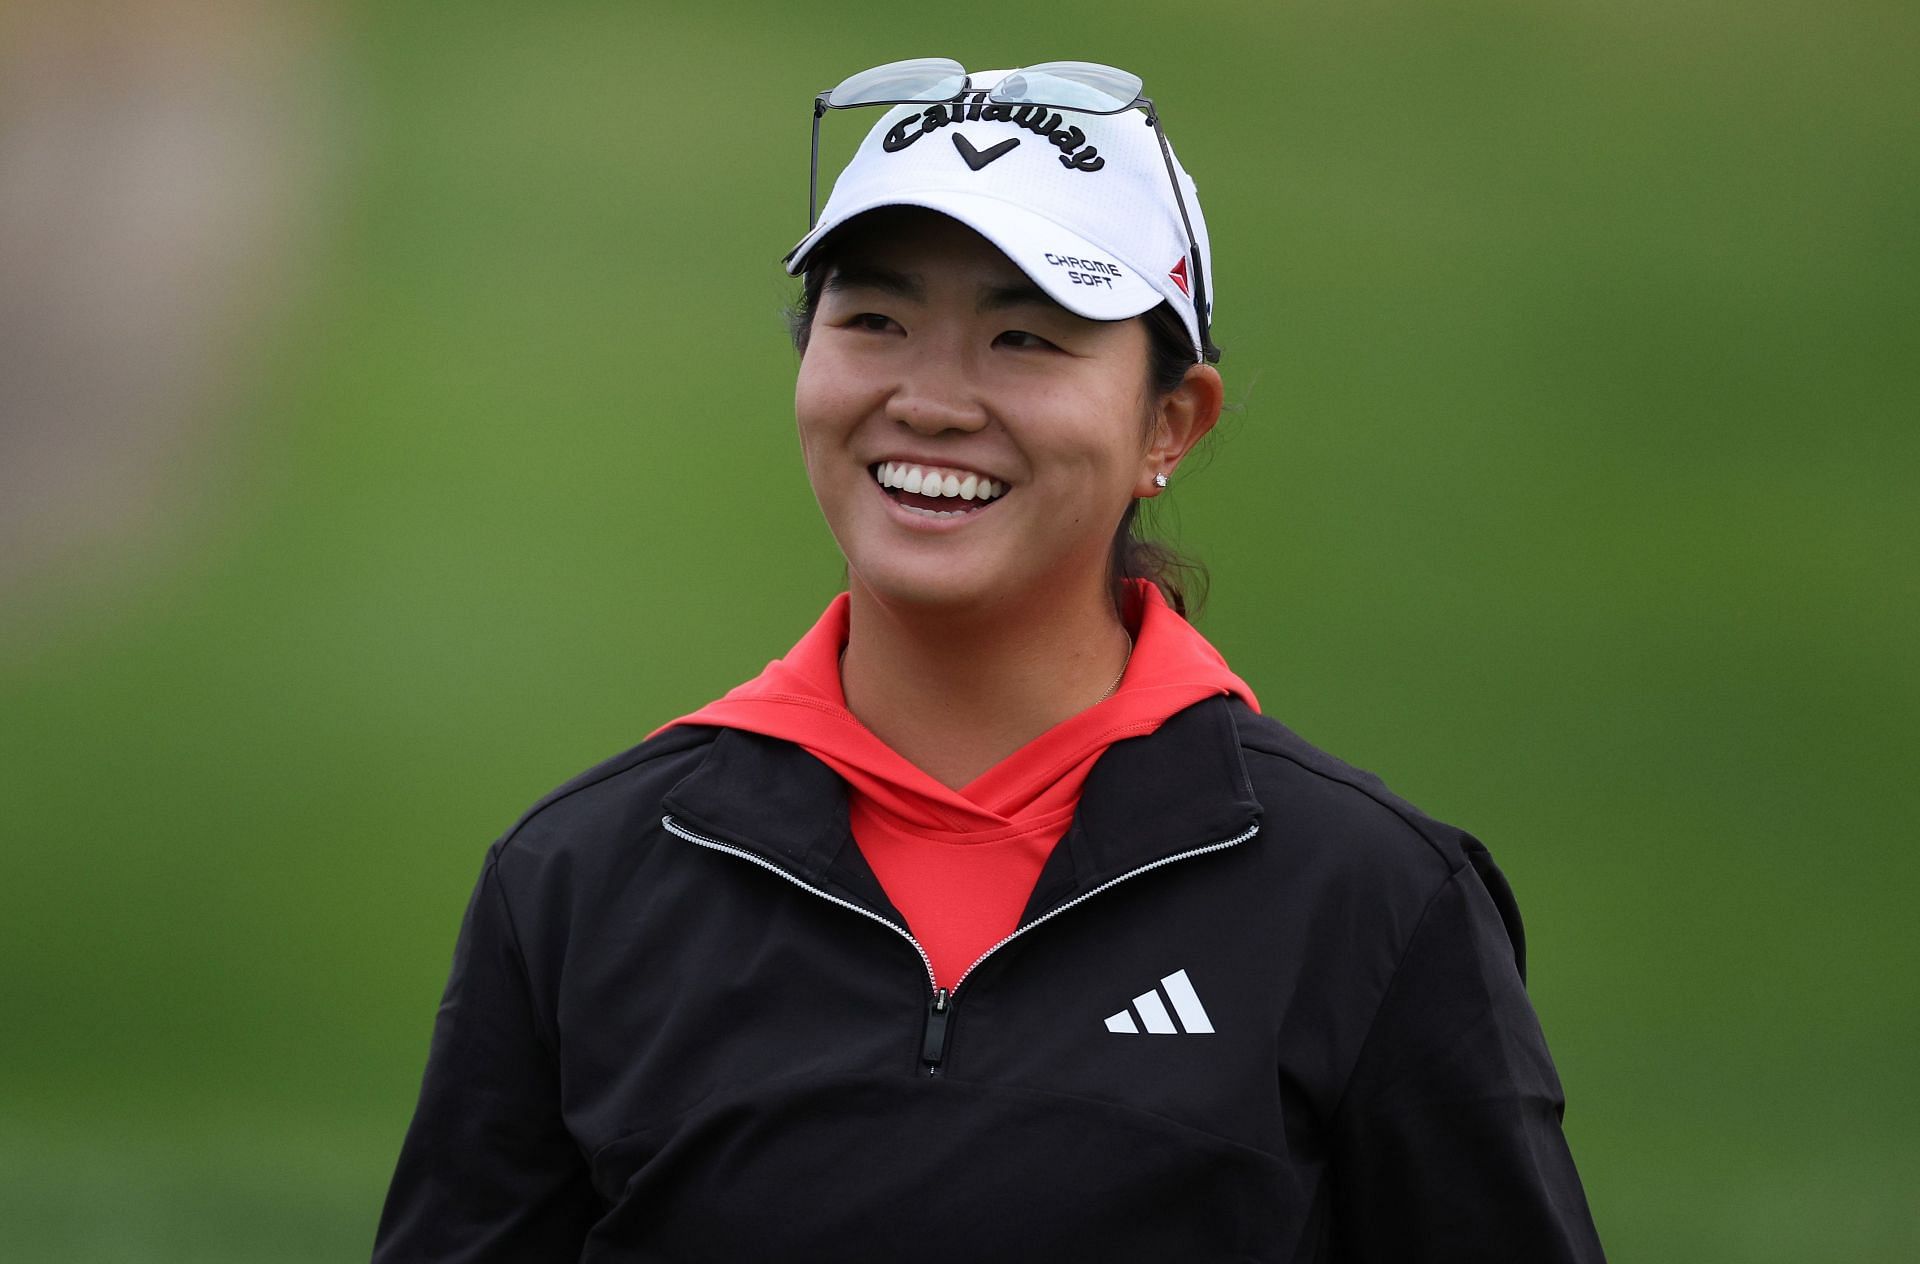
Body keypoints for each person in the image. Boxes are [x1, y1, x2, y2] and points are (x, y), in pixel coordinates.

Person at [372, 59, 1605, 1262]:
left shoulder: (1366, 897)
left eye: (1026, 337)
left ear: (1168, 424)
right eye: (875, 320)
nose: (934, 398)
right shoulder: (584, 879)